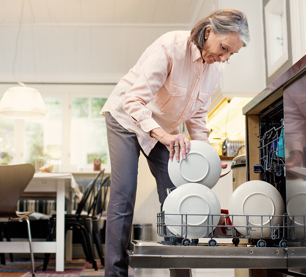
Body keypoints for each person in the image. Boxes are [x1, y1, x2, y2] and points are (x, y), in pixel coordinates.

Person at [101, 8, 250, 277]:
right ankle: (115, 274)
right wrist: (164, 136)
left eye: (232, 54)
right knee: (124, 195)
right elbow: (133, 101)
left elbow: (197, 114)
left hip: (164, 128)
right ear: (208, 32)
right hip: (126, 118)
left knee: (176, 197)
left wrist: (206, 157)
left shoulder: (216, 67)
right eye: (224, 47)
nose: (225, 57)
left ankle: (180, 275)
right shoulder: (170, 47)